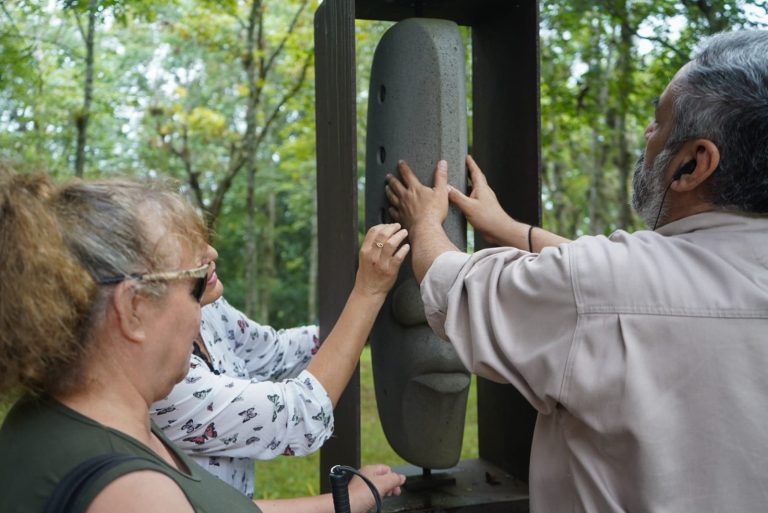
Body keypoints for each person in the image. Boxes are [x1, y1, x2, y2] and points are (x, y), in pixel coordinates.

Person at [385, 30, 768, 512]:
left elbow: (455, 285)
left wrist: (423, 223)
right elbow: (633, 291)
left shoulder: (605, 287)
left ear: (694, 163)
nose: (648, 135)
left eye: (659, 122)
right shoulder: (630, 285)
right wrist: (512, 229)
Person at [0, 171, 406, 513]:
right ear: (134, 308)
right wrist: (367, 295)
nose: (205, 301)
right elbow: (297, 415)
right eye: (194, 283)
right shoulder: (134, 491)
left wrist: (337, 502)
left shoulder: (67, 416)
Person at [151, 235, 407, 497]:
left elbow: (274, 352)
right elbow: (300, 413)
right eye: (184, 246)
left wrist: (363, 324)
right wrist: (368, 293)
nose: (211, 252)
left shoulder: (207, 308)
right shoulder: (162, 378)